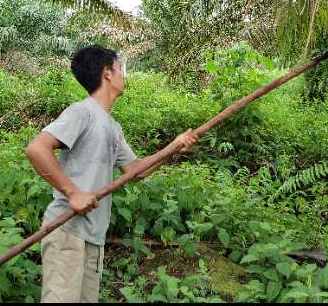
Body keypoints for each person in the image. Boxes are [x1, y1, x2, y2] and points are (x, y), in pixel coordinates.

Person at [25, 44, 199, 303]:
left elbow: (136, 171)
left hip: (94, 236)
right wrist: (72, 193)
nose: (123, 75)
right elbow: (36, 149)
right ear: (107, 73)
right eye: (120, 69)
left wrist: (173, 147)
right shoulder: (82, 112)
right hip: (67, 230)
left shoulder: (112, 126)